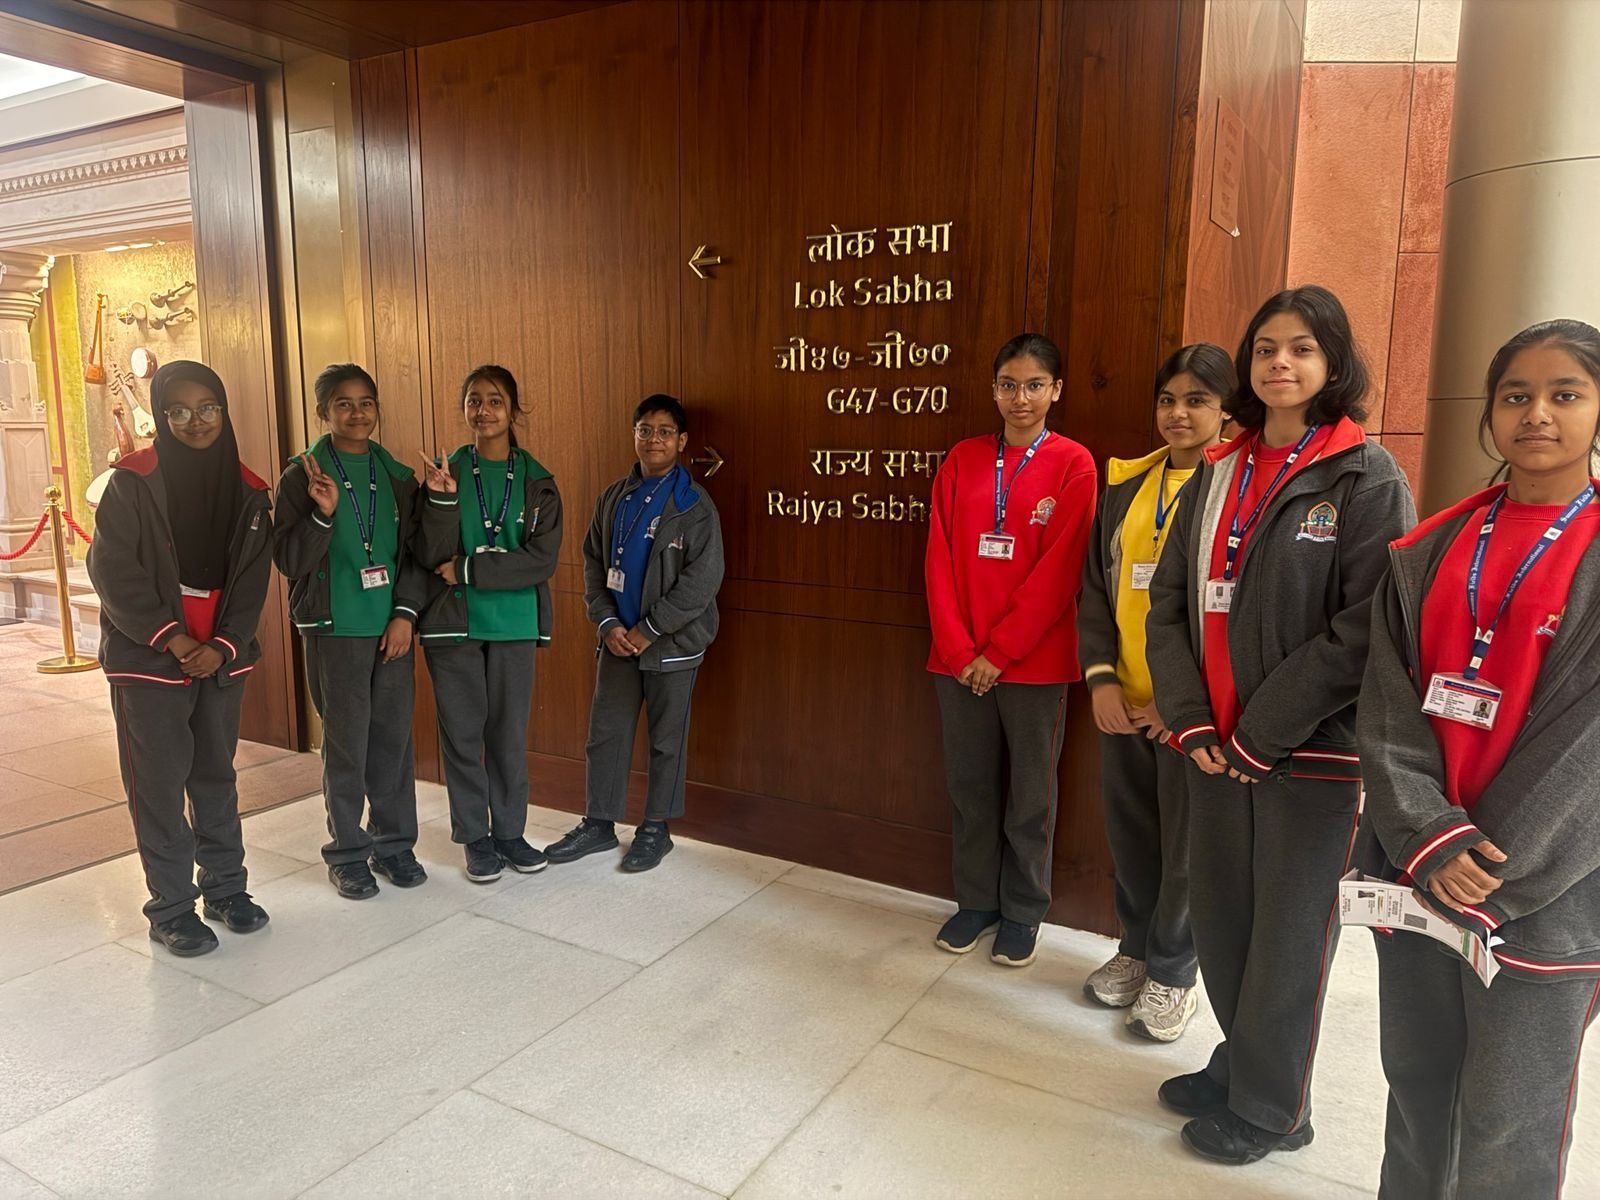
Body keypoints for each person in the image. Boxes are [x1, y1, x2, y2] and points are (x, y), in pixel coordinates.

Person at [1145, 285, 1415, 1164]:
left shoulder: (1365, 475)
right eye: (1265, 348)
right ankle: (1242, 1063)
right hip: (1215, 751)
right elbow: (1169, 604)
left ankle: (1273, 1110)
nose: (1280, 363)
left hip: (1307, 756)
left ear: (1333, 362)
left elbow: (1365, 627)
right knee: (1226, 925)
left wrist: (1263, 732)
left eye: (1301, 347)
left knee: (1289, 942)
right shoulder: (1219, 468)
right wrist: (1192, 722)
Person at [1359, 319, 1600, 1199]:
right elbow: (1386, 704)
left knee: (1510, 1120)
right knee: (1417, 1088)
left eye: (1565, 394)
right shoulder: (1429, 547)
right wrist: (1431, 837)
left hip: (1542, 890)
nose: (1537, 414)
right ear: (1490, 413)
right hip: (1418, 867)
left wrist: (1492, 862)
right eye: (1515, 395)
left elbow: (1590, 746)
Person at [87, 360, 274, 957]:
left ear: (224, 411)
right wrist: (173, 639)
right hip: (150, 658)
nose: (196, 421)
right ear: (162, 416)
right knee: (159, 787)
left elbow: (252, 580)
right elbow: (112, 570)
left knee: (216, 776)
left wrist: (222, 646)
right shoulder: (131, 482)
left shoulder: (249, 490)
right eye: (179, 411)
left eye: (207, 408)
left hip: (219, 659)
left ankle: (226, 888)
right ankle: (170, 908)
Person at [924, 332, 1097, 968]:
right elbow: (938, 559)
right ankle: (976, 902)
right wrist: (960, 650)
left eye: (1033, 385)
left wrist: (997, 653)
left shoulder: (1075, 464)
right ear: (993, 388)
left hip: (1033, 664)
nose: (1019, 398)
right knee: (970, 790)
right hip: (956, 660)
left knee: (1030, 798)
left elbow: (1061, 573)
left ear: (1056, 390)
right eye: (1007, 385)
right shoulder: (964, 458)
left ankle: (1024, 910)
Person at [1077, 343, 1232, 1041]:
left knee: (1186, 852)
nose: (1178, 414)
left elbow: (1232, 610)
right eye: (1168, 400)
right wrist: (1102, 680)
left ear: (1227, 411)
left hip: (1188, 712)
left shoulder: (1235, 489)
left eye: (1197, 400)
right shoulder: (1128, 485)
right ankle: (1136, 951)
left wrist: (1179, 706)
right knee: (1134, 838)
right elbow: (1095, 589)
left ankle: (1174, 972)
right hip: (1123, 703)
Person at [543, 394, 725, 872]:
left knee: (666, 742)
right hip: (617, 643)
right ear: (635, 436)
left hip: (671, 644)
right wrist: (607, 623)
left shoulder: (695, 506)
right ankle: (599, 823)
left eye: (665, 432)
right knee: (605, 734)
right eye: (645, 430)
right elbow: (593, 564)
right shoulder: (613, 498)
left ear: (682, 441)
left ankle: (656, 829)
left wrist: (650, 629)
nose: (653, 440)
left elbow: (702, 582)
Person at [273, 363, 428, 900]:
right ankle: (347, 853)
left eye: (366, 402)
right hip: (334, 627)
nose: (357, 413)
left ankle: (394, 845)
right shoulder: (302, 476)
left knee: (392, 741)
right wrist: (322, 516)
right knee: (346, 746)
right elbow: (289, 560)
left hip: (392, 629)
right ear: (323, 412)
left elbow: (414, 556)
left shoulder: (398, 477)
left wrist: (405, 614)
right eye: (343, 403)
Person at [415, 365, 563, 882]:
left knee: (507, 736)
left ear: (513, 409)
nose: (484, 411)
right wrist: (440, 499)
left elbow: (541, 560)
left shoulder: (538, 480)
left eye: (495, 401)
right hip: (453, 623)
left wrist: (468, 570)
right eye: (474, 400)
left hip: (514, 623)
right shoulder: (447, 470)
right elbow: (427, 554)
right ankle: (475, 838)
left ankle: (510, 833)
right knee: (462, 735)